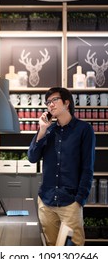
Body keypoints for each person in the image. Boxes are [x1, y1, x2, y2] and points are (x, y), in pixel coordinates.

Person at [28, 87, 95, 246]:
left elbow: (88, 168)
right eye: (47, 102)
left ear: (66, 103)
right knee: (51, 250)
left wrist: (80, 200)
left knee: (73, 252)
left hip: (71, 203)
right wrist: (42, 130)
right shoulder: (48, 130)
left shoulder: (84, 130)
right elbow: (32, 157)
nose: (50, 105)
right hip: (47, 202)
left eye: (54, 100)